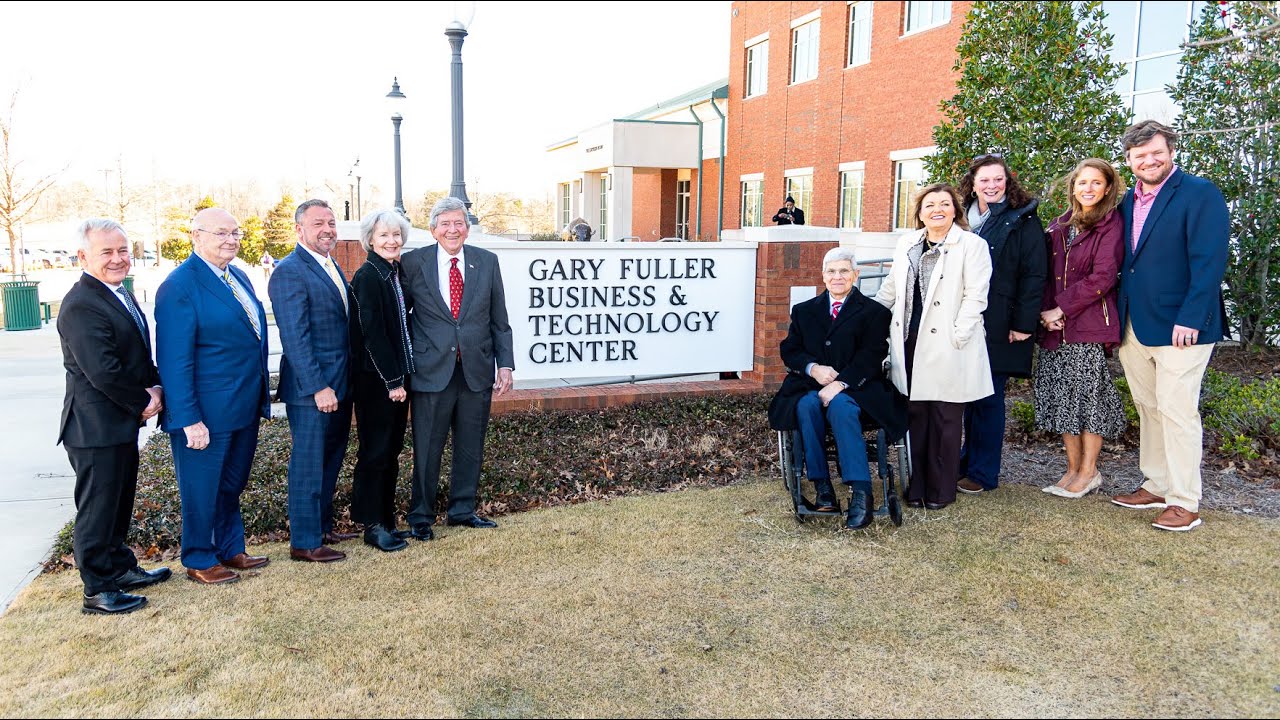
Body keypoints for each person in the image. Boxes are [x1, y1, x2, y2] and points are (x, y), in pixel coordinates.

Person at [1112, 120, 1229, 532]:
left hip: (1182, 326)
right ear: (1129, 160)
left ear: (1171, 152)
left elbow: (1209, 261)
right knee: (1149, 407)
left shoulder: (1199, 193)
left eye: (1156, 153)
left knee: (1178, 411)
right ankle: (1157, 484)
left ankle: (1183, 500)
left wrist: (1191, 317)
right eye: (1140, 156)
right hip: (1134, 324)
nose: (1149, 161)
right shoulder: (1127, 201)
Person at [57, 218, 170, 614]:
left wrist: (156, 386)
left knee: (119, 503)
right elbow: (103, 371)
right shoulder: (81, 304)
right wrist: (144, 400)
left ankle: (120, 568)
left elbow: (136, 355)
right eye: (106, 252)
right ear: (83, 256)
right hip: (94, 428)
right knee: (98, 510)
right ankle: (98, 589)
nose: (118, 258)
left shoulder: (119, 293)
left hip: (118, 424)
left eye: (123, 250)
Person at [155, 208, 271, 584]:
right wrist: (189, 418)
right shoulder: (179, 286)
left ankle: (230, 548)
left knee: (231, 484)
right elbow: (174, 360)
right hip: (205, 413)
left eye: (235, 233)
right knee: (201, 490)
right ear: (196, 236)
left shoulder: (237, 276)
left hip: (242, 405)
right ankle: (199, 557)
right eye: (221, 233)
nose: (230, 240)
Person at [767, 247, 908, 529]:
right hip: (810, 386)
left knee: (842, 406)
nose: (837, 276)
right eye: (831, 271)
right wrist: (813, 368)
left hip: (859, 388)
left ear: (855, 275)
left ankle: (862, 492)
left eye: (844, 271)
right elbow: (790, 350)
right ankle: (823, 488)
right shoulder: (804, 311)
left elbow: (872, 354)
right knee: (806, 405)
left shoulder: (874, 312)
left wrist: (842, 383)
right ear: (823, 276)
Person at [400, 197, 514, 539]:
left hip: (475, 370)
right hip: (430, 370)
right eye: (445, 224)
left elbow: (499, 319)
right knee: (427, 449)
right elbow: (400, 318)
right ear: (433, 229)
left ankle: (462, 511)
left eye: (459, 223)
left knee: (470, 445)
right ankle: (421, 516)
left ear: (467, 228)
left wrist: (505, 365)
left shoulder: (487, 262)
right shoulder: (412, 263)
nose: (453, 229)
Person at [874, 184, 993, 510]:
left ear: (955, 210)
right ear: (920, 212)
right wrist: (867, 319)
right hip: (910, 340)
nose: (937, 209)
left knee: (945, 417)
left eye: (944, 204)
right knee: (916, 415)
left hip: (949, 343)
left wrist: (958, 335)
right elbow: (890, 288)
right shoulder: (907, 243)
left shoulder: (972, 245)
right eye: (929, 205)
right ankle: (917, 487)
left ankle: (941, 490)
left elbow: (976, 296)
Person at [268, 199, 356, 562]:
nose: (327, 230)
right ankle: (304, 542)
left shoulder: (329, 264)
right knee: (308, 464)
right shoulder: (289, 271)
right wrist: (318, 386)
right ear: (299, 229)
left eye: (331, 223)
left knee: (330, 459)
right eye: (318, 223)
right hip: (313, 390)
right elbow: (295, 337)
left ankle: (322, 527)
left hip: (340, 384)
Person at [1035, 159, 1128, 498]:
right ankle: (1072, 470)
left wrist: (1061, 307)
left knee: (1088, 401)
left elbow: (1103, 277)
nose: (1088, 188)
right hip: (1055, 327)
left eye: (1096, 182)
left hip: (1088, 326)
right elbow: (1045, 274)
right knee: (1063, 399)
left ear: (1107, 188)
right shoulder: (1059, 225)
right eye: (1082, 182)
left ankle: (1089, 472)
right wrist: (1046, 313)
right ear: (1072, 187)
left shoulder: (1110, 225)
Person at [955, 155, 1046, 494]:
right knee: (967, 396)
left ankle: (982, 473)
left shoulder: (1023, 219)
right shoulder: (960, 217)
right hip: (964, 318)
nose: (992, 185)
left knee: (989, 397)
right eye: (985, 180)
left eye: (998, 179)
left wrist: (1023, 324)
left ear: (1008, 181)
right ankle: (964, 462)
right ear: (973, 183)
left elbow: (1034, 274)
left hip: (1001, 319)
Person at [349, 209, 415, 553]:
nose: (392, 241)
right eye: (384, 235)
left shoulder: (393, 272)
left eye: (396, 235)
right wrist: (392, 381)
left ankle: (387, 520)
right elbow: (372, 335)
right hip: (377, 381)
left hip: (396, 378)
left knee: (390, 450)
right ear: (370, 240)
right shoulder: (368, 276)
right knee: (375, 452)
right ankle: (373, 525)